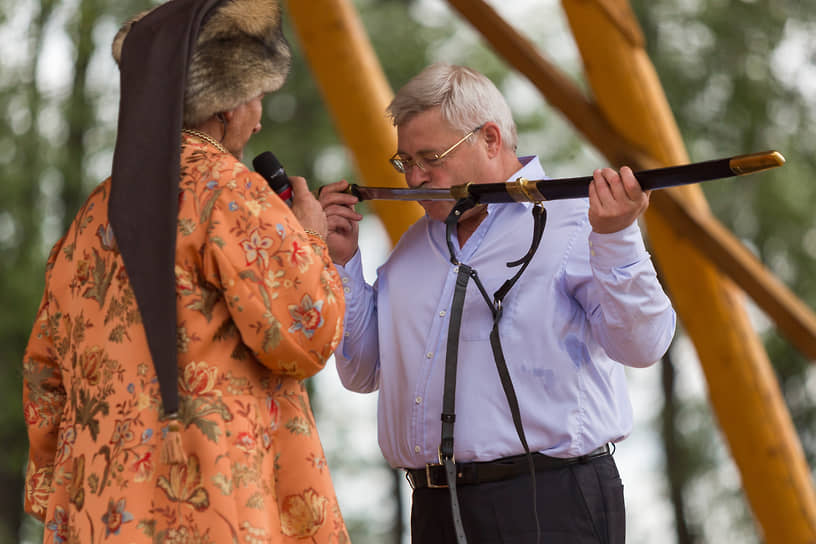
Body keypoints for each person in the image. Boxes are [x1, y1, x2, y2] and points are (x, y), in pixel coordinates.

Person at [22, 0, 350, 542]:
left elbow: (42, 384)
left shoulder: (87, 221)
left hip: (98, 513)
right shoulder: (232, 192)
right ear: (225, 105)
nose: (261, 115)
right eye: (257, 95)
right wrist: (309, 236)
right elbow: (305, 332)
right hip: (213, 500)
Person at [319, 62, 676, 543]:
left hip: (553, 501)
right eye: (406, 163)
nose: (417, 179)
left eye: (431, 158)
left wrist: (617, 238)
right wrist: (342, 264)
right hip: (433, 507)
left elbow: (644, 344)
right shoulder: (409, 249)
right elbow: (361, 372)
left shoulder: (575, 223)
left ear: (490, 139)